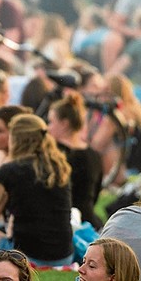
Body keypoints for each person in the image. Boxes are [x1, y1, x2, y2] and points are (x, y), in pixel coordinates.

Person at [0, 113, 74, 266]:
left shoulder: (9, 170)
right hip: (64, 257)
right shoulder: (59, 167)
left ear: (14, 138)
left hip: (28, 258)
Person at [47, 92, 103, 229]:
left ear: (64, 124)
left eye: (51, 122)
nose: (47, 128)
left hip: (68, 225)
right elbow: (95, 194)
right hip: (91, 223)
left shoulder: (58, 155)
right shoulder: (94, 155)